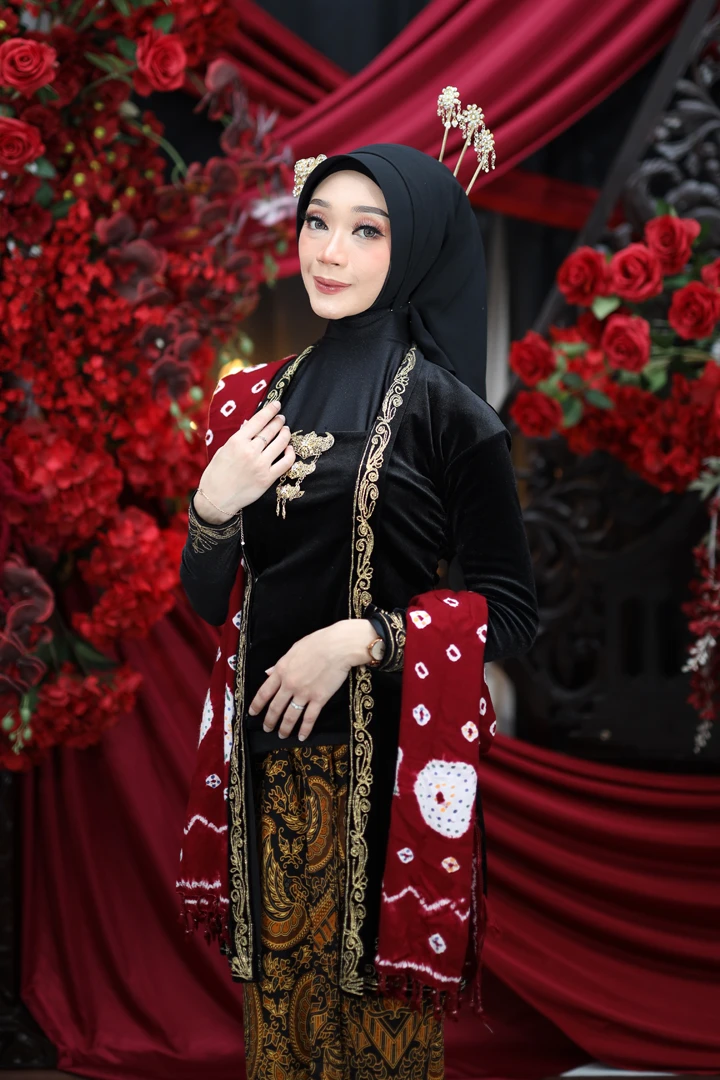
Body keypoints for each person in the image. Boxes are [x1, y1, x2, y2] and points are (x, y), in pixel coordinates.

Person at [179, 143, 538, 1080]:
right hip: (265, 776)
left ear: (412, 246)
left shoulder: (450, 414)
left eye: (366, 230)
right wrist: (213, 507)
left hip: (386, 778)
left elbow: (512, 611)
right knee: (282, 1048)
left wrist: (361, 639)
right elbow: (205, 600)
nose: (329, 251)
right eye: (317, 221)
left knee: (382, 1052)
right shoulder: (248, 401)